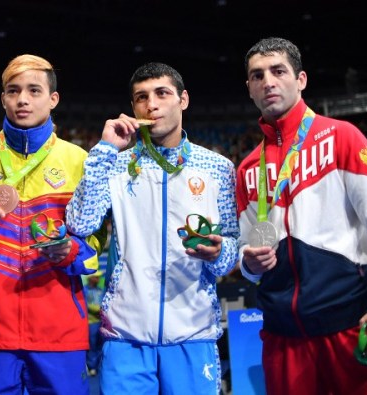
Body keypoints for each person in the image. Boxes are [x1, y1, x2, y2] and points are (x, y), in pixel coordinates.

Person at [237, 37, 367, 395]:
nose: (268, 81)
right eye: (258, 75)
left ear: (300, 79)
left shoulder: (342, 137)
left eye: (278, 71)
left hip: (350, 326)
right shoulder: (248, 168)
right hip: (282, 338)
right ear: (250, 89)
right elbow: (247, 251)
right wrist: (249, 263)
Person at [66, 62, 240, 394]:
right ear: (133, 108)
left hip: (194, 335)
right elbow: (79, 223)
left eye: (162, 93)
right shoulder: (115, 165)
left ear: (183, 99)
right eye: (141, 97)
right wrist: (104, 150)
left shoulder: (217, 168)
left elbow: (231, 250)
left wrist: (219, 252)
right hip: (125, 337)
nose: (152, 104)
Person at [0, 54, 103, 395]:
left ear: (53, 99)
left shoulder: (80, 162)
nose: (23, 99)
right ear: (3, 98)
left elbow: (95, 247)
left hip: (59, 334)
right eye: (13, 91)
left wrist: (69, 250)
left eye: (34, 90)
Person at [84, 270, 104, 377]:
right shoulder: (85, 290)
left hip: (100, 323)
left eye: (98, 277)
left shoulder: (100, 290)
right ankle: (91, 366)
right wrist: (99, 310)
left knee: (99, 345)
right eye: (96, 277)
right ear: (90, 278)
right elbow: (87, 305)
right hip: (89, 323)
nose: (98, 279)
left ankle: (96, 365)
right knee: (91, 345)